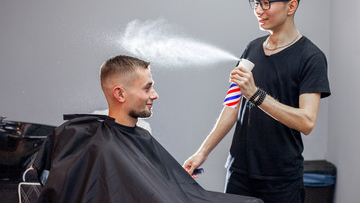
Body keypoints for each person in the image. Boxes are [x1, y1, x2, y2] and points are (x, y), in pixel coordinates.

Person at [183, 0, 330, 203]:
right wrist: (202, 153)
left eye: (266, 3)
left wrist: (256, 95)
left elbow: (306, 121)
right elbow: (231, 107)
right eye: (256, 2)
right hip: (239, 173)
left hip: (281, 179)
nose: (258, 10)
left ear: (291, 6)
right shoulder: (251, 48)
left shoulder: (311, 57)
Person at [31, 55, 262, 203]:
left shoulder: (138, 135)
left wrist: (171, 179)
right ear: (120, 94)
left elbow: (146, 183)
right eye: (147, 88)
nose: (155, 95)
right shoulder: (100, 146)